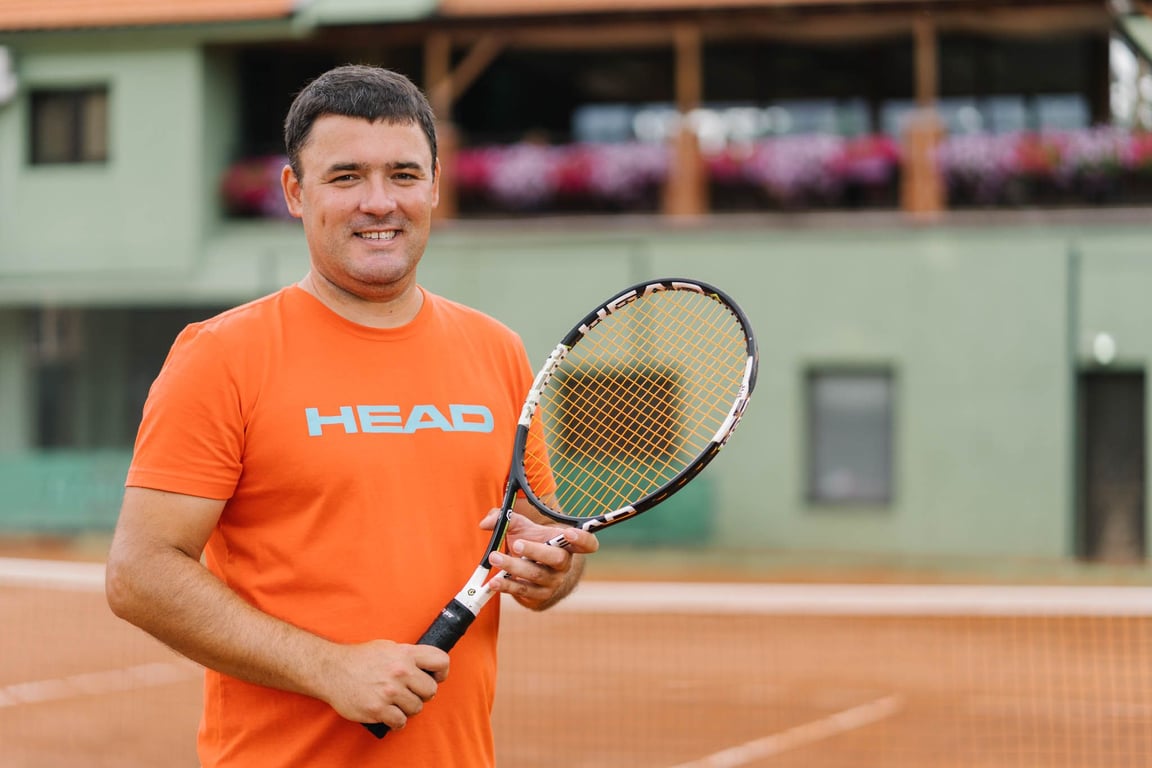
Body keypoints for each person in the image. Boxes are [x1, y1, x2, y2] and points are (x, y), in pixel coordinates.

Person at [105, 64, 599, 768]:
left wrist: (551, 573)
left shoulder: (498, 352)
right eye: (345, 178)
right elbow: (140, 572)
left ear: (435, 185)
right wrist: (327, 667)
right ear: (295, 193)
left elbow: (541, 543)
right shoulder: (220, 355)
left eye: (403, 175)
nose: (379, 203)